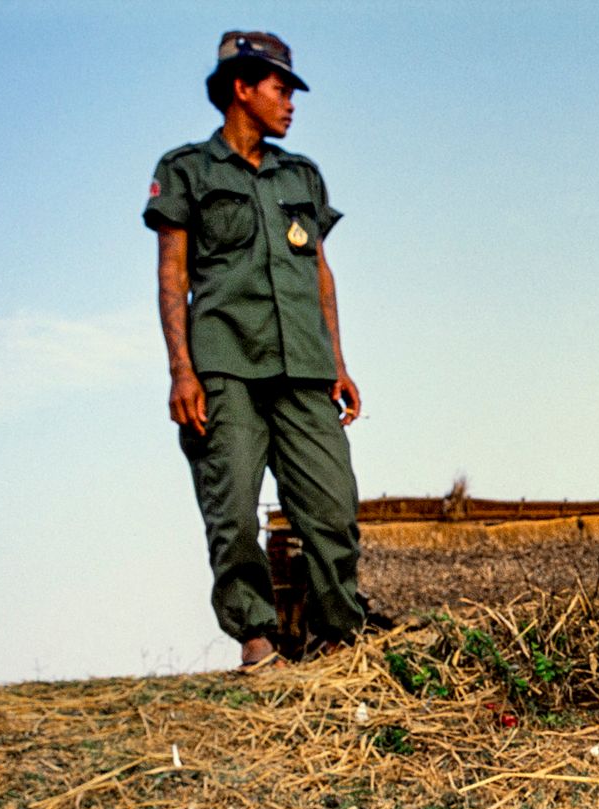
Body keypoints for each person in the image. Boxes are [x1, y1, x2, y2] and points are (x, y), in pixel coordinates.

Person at [145, 31, 367, 670]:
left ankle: (337, 641)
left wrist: (339, 362)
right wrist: (181, 370)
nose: (291, 104)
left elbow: (320, 273)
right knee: (234, 507)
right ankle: (257, 640)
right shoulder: (185, 170)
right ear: (242, 88)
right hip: (224, 363)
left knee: (332, 506)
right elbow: (172, 275)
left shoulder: (302, 176)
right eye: (280, 89)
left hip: (304, 364)